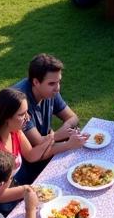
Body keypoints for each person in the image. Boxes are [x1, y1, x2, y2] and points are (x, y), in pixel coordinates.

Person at [10, 54, 88, 182]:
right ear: (36, 82)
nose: (57, 88)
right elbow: (38, 143)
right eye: (52, 83)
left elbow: (72, 117)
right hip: (25, 168)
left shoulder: (49, 91)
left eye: (59, 82)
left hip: (44, 152)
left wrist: (65, 131)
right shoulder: (21, 103)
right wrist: (60, 137)